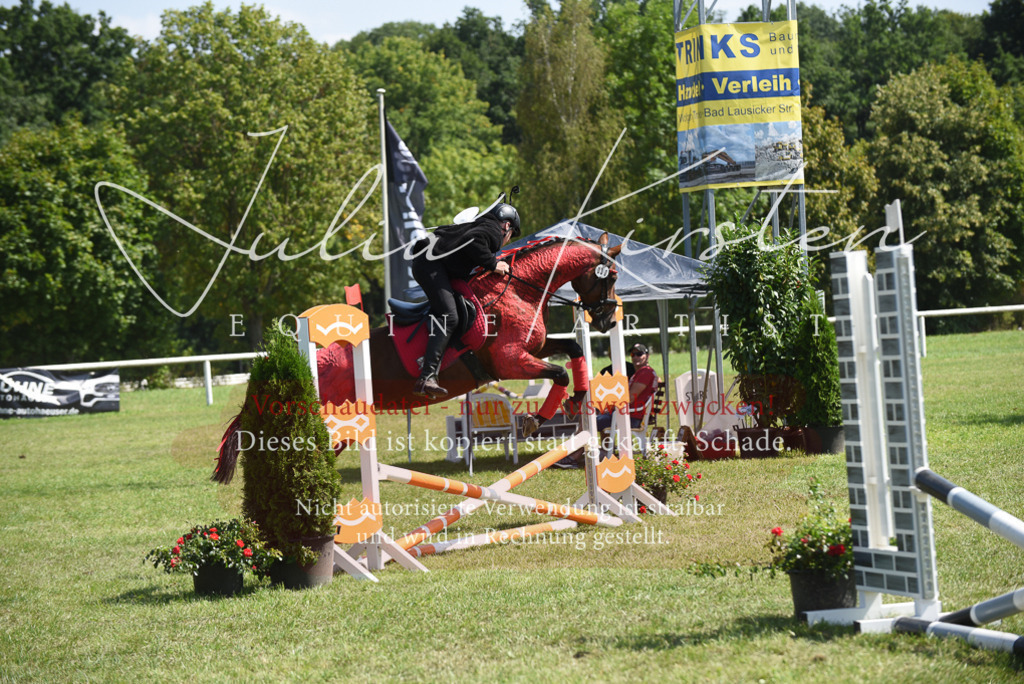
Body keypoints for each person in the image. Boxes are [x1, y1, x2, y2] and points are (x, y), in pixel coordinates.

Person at [411, 203, 521, 398]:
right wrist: (493, 264)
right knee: (450, 316)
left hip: (432, 265)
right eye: (512, 233)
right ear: (506, 225)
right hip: (429, 266)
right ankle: (427, 376)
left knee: (456, 311)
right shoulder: (492, 231)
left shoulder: (478, 225)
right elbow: (474, 240)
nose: (507, 240)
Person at [553, 342, 659, 468]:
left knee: (589, 423)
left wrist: (608, 403)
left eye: (639, 354)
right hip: (626, 414)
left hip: (630, 417)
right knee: (588, 416)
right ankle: (592, 452)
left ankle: (572, 457)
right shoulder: (642, 372)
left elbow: (629, 398)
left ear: (647, 356)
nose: (635, 356)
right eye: (633, 354)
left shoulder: (645, 373)